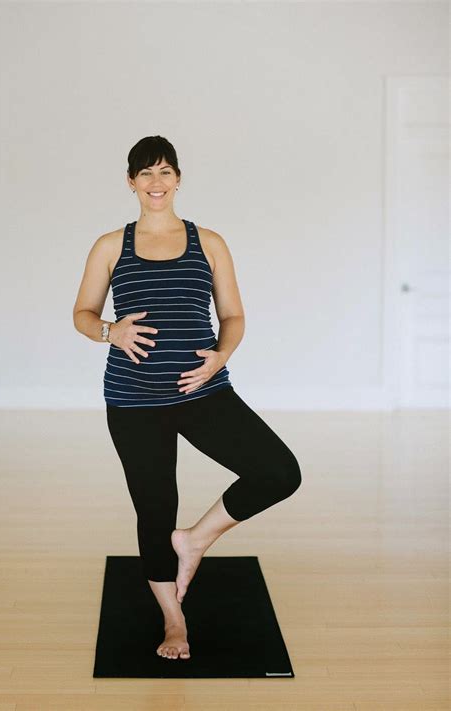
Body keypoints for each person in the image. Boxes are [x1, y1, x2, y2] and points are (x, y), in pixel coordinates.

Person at [73, 135, 302, 661]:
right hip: (133, 398)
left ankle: (195, 540)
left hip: (203, 390)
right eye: (146, 173)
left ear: (179, 180)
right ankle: (174, 619)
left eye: (166, 172)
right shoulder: (111, 245)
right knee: (155, 509)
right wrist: (111, 332)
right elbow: (82, 314)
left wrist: (220, 357)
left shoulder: (210, 241)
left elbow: (234, 316)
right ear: (131, 182)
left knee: (279, 471)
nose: (156, 182)